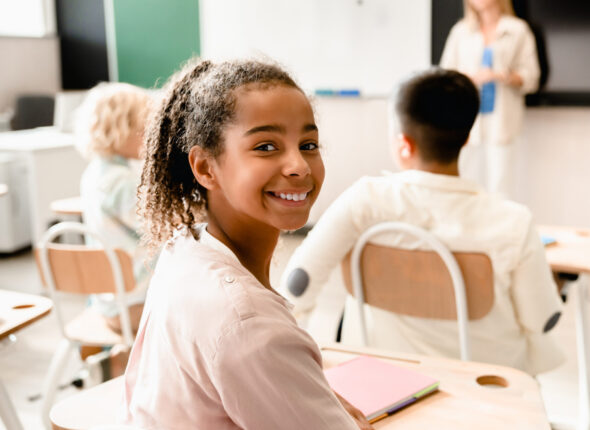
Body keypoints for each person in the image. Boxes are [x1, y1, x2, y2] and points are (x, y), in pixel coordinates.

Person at [122, 58, 373, 429]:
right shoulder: (248, 323)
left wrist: (302, 392)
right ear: (206, 168)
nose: (299, 166)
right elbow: (248, 339)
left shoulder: (184, 249)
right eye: (266, 146)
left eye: (308, 144)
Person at [280, 68, 564, 376]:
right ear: (467, 138)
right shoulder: (513, 223)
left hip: (384, 383)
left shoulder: (364, 200)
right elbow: (543, 320)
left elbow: (297, 285)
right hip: (484, 393)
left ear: (404, 143)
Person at [75, 82, 154, 375]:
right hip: (135, 306)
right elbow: (163, 227)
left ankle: (121, 359)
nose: (149, 136)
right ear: (118, 130)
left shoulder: (95, 174)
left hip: (109, 301)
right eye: (143, 128)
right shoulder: (121, 183)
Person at [440, 0, 540, 197]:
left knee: (501, 186)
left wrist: (501, 75)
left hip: (502, 122)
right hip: (467, 122)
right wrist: (470, 78)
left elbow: (532, 77)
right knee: (464, 184)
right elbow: (446, 75)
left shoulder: (517, 30)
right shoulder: (460, 31)